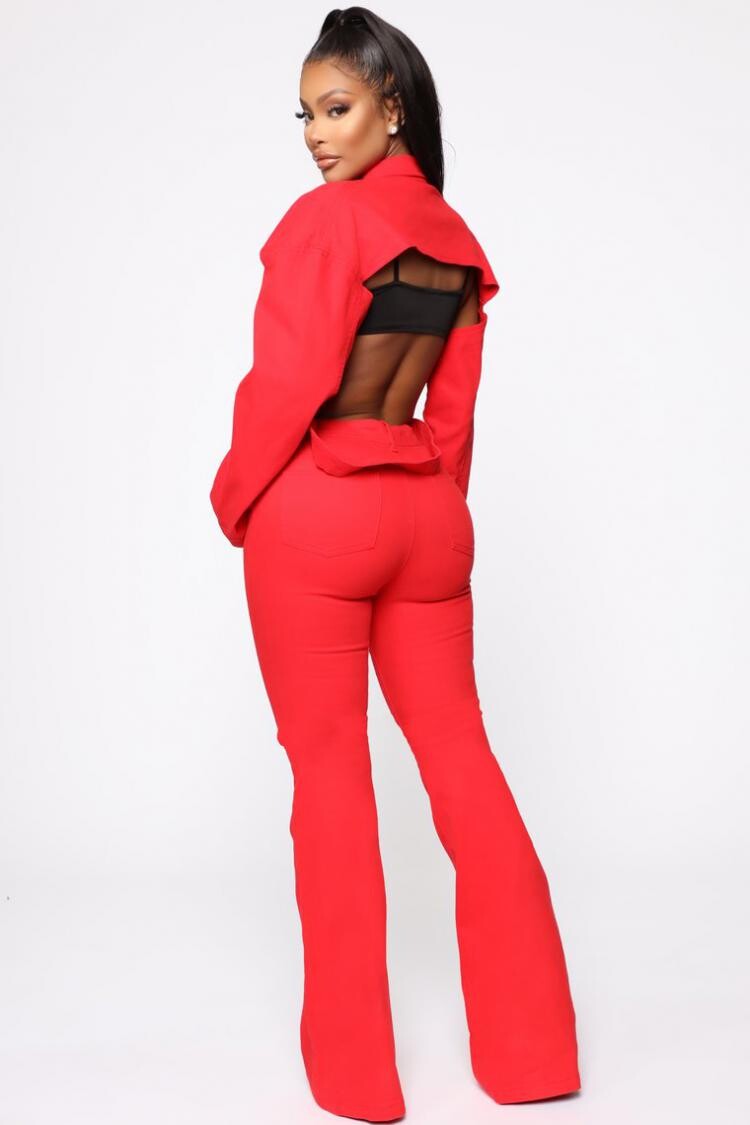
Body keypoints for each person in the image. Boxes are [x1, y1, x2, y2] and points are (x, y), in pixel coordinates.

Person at [210, 8, 582, 1121]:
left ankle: (358, 1076)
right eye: (305, 115)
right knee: (464, 761)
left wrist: (235, 498)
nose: (317, 135)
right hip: (428, 512)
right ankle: (533, 1056)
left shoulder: (326, 223)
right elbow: (454, 410)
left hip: (319, 512)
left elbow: (287, 384)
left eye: (337, 108)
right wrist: (435, 515)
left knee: (330, 778)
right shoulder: (457, 239)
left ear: (391, 107)